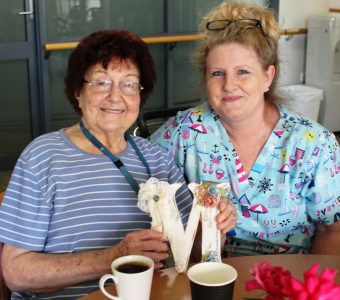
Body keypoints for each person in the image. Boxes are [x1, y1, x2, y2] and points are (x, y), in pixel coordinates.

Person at [0, 29, 236, 299]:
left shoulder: (156, 158)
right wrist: (114, 256)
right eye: (101, 82)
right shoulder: (43, 156)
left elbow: (194, 251)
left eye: (128, 84)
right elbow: (15, 272)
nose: (115, 97)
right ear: (78, 91)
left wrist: (213, 223)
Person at [151, 1, 340, 256]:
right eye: (217, 73)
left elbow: (332, 230)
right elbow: (139, 178)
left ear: (267, 77)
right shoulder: (184, 133)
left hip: (287, 278)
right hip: (206, 275)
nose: (229, 85)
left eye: (243, 72)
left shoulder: (312, 143)